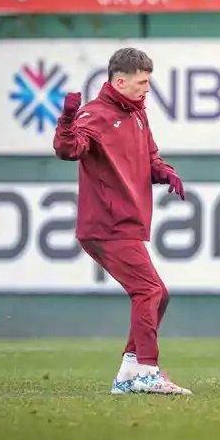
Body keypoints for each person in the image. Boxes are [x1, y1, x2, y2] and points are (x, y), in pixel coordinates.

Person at [53, 48, 190, 396]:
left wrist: (165, 172)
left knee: (159, 295)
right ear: (120, 82)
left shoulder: (138, 114)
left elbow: (150, 157)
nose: (147, 88)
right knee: (148, 291)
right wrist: (66, 120)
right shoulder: (94, 114)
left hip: (125, 222)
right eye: (142, 82)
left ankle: (129, 373)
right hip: (106, 223)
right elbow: (69, 150)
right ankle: (148, 371)